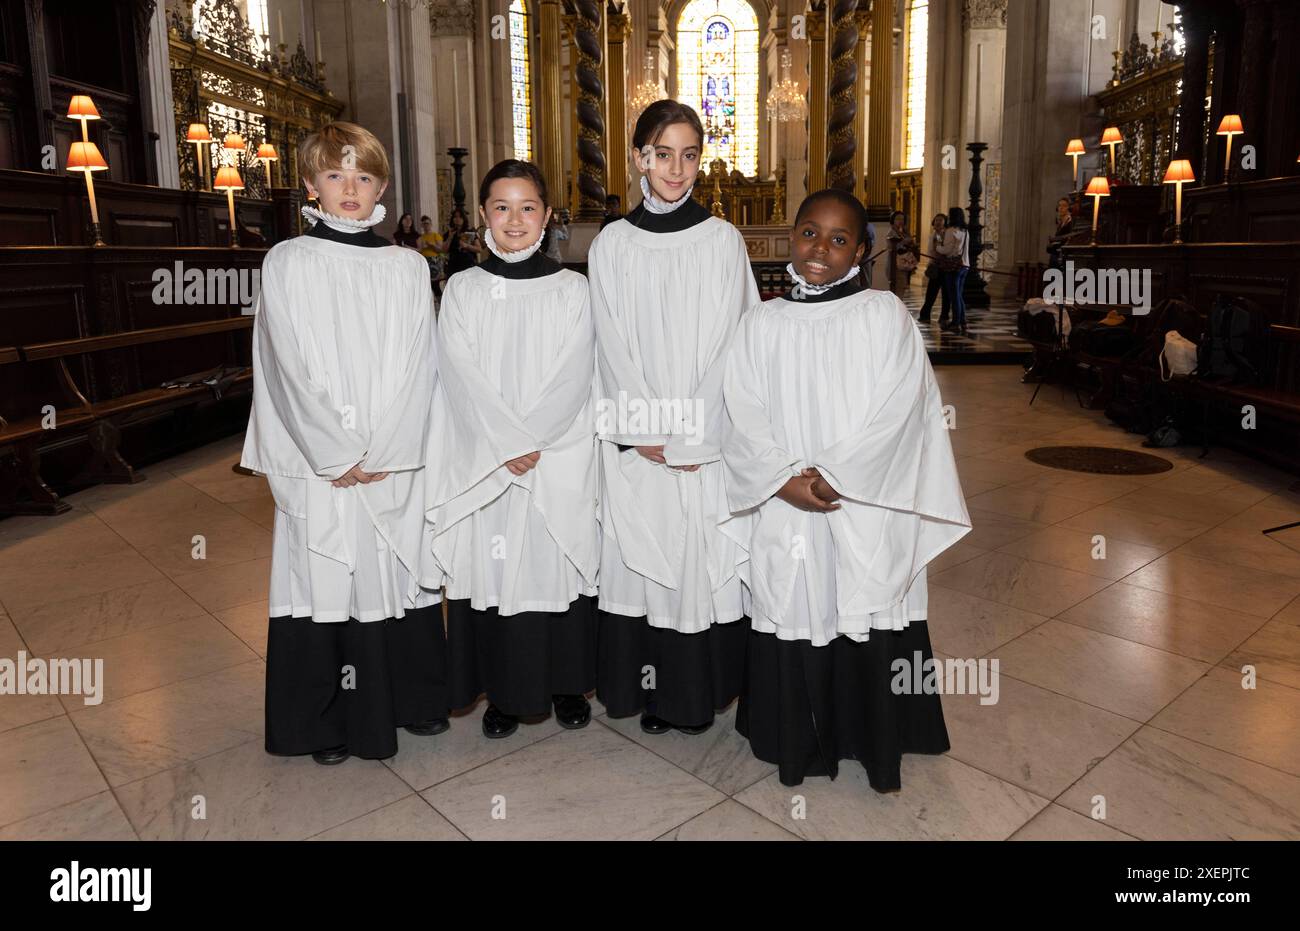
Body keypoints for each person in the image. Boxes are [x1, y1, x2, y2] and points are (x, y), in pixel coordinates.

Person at [721, 188, 971, 791]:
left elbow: (903, 408)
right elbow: (741, 409)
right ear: (791, 237)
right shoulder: (762, 321)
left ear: (862, 249)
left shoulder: (883, 316)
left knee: (862, 598)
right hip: (786, 500)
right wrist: (781, 478)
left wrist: (836, 476)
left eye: (839, 240)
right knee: (797, 597)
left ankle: (873, 736)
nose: (820, 250)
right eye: (809, 233)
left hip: (861, 498)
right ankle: (795, 735)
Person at [240, 121, 447, 766]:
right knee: (325, 572)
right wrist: (336, 452)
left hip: (390, 458)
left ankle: (409, 701)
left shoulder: (408, 266)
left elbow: (422, 362)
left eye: (363, 176)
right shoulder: (289, 261)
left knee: (391, 566)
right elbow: (283, 366)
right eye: (335, 175)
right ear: (310, 185)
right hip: (319, 461)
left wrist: (383, 450)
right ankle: (322, 722)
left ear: (383, 186)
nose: (349, 189)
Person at [587, 99, 759, 735]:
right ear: (639, 157)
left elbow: (733, 341)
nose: (677, 168)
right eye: (663, 154)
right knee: (647, 560)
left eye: (690, 154)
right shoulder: (612, 244)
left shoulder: (722, 240)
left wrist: (690, 430)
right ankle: (653, 694)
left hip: (703, 439)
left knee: (698, 561)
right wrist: (648, 430)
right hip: (641, 441)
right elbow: (609, 341)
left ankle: (698, 693)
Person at [424, 159, 598, 739]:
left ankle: (567, 682)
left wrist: (530, 440)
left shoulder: (575, 289)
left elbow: (577, 373)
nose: (515, 220)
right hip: (487, 459)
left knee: (555, 562)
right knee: (496, 570)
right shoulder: (464, 289)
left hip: (557, 453)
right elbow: (459, 372)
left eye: (528, 208)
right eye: (502, 207)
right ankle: (502, 691)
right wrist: (505, 442)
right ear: (482, 216)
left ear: (548, 216)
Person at [937, 206, 971, 336]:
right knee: (959, 294)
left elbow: (948, 250)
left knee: (954, 295)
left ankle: (956, 322)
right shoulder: (965, 230)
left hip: (953, 266)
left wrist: (938, 247)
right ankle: (962, 320)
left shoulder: (951, 230)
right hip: (965, 265)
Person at [917, 213, 949, 325]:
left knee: (942, 292)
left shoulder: (942, 235)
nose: (938, 222)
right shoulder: (934, 234)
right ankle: (926, 314)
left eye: (941, 220)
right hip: (935, 265)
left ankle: (942, 315)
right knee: (931, 292)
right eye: (936, 220)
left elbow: (938, 250)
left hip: (941, 266)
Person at [887, 209, 919, 295]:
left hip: (904, 263)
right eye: (897, 219)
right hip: (895, 264)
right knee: (898, 287)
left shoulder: (902, 232)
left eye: (902, 219)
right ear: (893, 220)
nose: (900, 221)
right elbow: (893, 247)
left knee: (902, 287)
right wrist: (904, 242)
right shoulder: (891, 232)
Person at [444, 207, 484, 276]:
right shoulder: (449, 233)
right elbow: (444, 250)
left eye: (460, 217)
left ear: (464, 219)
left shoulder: (470, 232)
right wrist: (450, 237)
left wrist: (467, 246)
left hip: (468, 266)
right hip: (453, 266)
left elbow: (479, 249)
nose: (457, 219)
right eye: (455, 217)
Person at [417, 214, 445, 297]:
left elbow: (441, 249)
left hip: (435, 261)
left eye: (427, 223)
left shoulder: (435, 235)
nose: (426, 225)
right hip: (425, 261)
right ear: (422, 225)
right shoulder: (421, 237)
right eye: (424, 224)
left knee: (435, 284)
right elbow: (420, 249)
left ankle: (440, 303)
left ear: (431, 224)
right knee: (427, 284)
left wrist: (432, 245)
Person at [1046, 196, 1075, 271]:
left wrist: (1055, 242)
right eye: (1059, 205)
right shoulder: (1061, 222)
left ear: (1069, 208)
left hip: (1063, 254)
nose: (1061, 208)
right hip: (1057, 252)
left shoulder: (1070, 222)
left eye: (1064, 206)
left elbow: (1069, 238)